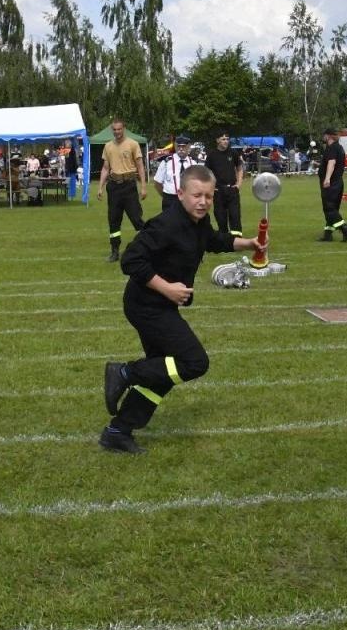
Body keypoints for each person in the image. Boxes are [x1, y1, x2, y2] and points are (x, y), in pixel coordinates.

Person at [100, 165, 267, 454]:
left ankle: (118, 431)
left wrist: (248, 243)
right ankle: (125, 372)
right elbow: (131, 260)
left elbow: (213, 240)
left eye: (208, 196)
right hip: (146, 306)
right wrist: (166, 288)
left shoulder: (198, 221)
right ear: (180, 194)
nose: (203, 202)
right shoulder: (166, 224)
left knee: (162, 373)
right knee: (194, 362)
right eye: (196, 195)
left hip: (160, 306)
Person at [96, 119, 147, 261]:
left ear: (124, 129)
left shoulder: (133, 144)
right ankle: (114, 251)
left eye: (119, 129)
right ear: (112, 130)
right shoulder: (108, 146)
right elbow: (105, 168)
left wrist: (143, 186)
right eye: (114, 129)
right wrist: (100, 187)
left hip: (129, 185)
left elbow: (140, 166)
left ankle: (147, 246)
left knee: (136, 218)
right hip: (113, 187)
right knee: (114, 221)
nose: (117, 132)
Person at [204, 131, 245, 235]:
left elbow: (240, 168)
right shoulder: (212, 155)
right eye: (223, 139)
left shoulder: (233, 153)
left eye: (227, 139)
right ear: (217, 140)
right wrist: (211, 187)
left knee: (235, 216)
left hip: (232, 190)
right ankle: (224, 239)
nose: (226, 141)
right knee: (220, 217)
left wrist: (239, 184)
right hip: (218, 191)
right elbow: (206, 173)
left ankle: (236, 239)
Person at [318, 128, 347, 241]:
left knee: (329, 208)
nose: (323, 137)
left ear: (328, 136)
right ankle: (328, 234)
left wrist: (327, 178)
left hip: (331, 183)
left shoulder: (332, 148)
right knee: (333, 209)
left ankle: (345, 230)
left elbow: (332, 162)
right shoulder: (339, 147)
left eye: (324, 135)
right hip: (338, 182)